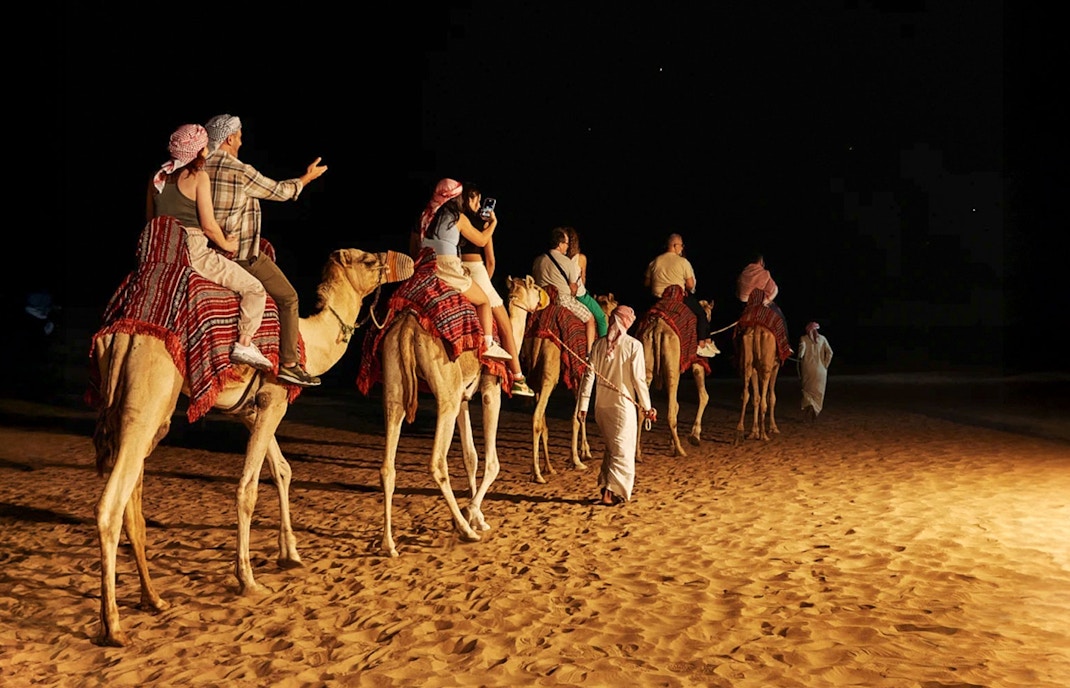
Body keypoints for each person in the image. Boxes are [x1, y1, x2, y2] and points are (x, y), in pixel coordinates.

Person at [203, 114, 327, 387]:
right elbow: (280, 191)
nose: (241, 142)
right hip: (239, 254)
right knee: (289, 297)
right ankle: (290, 364)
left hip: (205, 252)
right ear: (229, 138)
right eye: (239, 137)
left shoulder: (199, 167)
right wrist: (306, 178)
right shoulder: (239, 170)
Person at [148, 123, 273, 372]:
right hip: (193, 249)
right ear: (198, 151)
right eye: (205, 146)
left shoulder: (156, 178)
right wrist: (227, 243)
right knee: (254, 288)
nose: (207, 150)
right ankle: (244, 344)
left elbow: (151, 221)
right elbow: (208, 226)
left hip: (159, 251)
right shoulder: (198, 177)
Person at [418, 178, 513, 363]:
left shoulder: (426, 216)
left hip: (426, 266)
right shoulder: (457, 218)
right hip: (447, 267)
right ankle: (488, 345)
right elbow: (482, 241)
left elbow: (416, 247)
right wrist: (494, 223)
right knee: (484, 301)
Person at [457, 183, 535, 396]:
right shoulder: (483, 224)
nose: (479, 204)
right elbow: (490, 261)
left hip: (457, 269)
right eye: (477, 200)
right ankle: (518, 377)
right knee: (505, 324)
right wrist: (486, 286)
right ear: (472, 199)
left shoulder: (454, 219)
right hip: (477, 270)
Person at [576, 305, 657, 506]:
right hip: (622, 407)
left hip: (601, 407)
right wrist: (647, 407)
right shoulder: (634, 345)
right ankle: (609, 494)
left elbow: (588, 376)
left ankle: (607, 488)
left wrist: (583, 405)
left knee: (612, 449)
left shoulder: (598, 345)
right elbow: (639, 379)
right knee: (623, 451)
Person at [644, 233, 718, 357]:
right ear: (675, 245)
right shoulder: (683, 262)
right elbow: (690, 285)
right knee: (701, 314)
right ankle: (702, 344)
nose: (682, 248)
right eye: (681, 245)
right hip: (677, 299)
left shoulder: (654, 262)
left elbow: (646, 283)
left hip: (658, 299)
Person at [530, 227, 597, 355]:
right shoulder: (567, 262)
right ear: (560, 244)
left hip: (541, 300)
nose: (567, 246)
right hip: (562, 300)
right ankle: (589, 355)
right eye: (566, 243)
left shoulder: (538, 260)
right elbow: (573, 288)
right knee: (590, 319)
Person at [736, 252, 791, 354]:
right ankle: (785, 347)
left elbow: (739, 294)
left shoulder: (743, 274)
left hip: (746, 306)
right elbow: (774, 289)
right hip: (761, 305)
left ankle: (735, 352)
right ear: (760, 261)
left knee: (736, 327)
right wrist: (766, 301)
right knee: (781, 318)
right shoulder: (764, 273)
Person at [563, 227, 608, 337]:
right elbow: (583, 280)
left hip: (563, 294)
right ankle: (603, 345)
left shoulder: (559, 258)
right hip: (579, 295)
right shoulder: (581, 258)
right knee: (601, 318)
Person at [798, 321, 834, 421]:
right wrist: (825, 365)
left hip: (808, 370)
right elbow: (830, 353)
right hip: (821, 371)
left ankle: (807, 414)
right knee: (818, 393)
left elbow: (801, 354)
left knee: (807, 391)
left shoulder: (803, 339)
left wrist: (801, 349)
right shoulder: (823, 339)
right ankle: (815, 412)